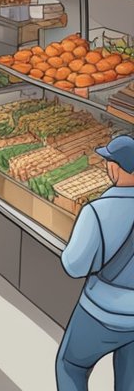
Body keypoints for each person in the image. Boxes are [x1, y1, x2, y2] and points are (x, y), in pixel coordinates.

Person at [56, 134, 134, 391]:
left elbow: (74, 266)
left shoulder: (97, 211)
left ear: (115, 168)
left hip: (102, 311)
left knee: (70, 366)